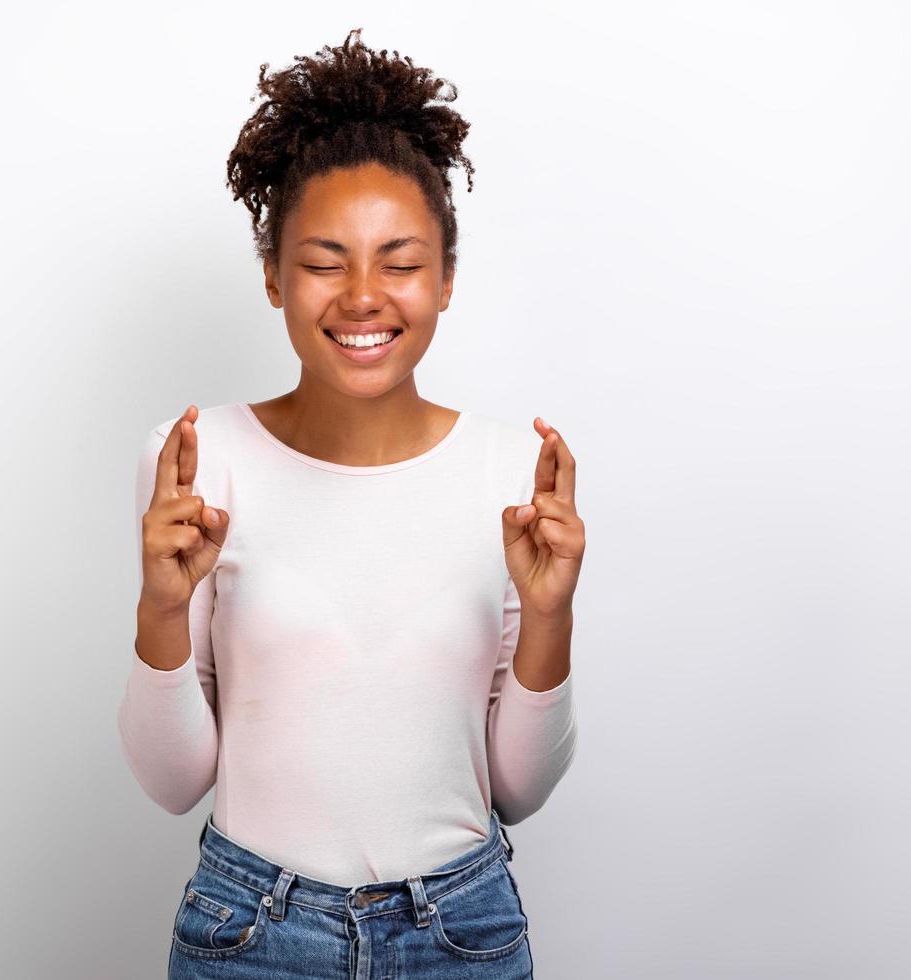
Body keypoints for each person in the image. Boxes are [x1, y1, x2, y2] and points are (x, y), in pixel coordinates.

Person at [119, 27, 586, 978]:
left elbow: (517, 788)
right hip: (250, 934)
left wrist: (549, 614)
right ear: (273, 276)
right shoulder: (201, 461)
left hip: (461, 932)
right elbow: (172, 785)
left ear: (445, 279)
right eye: (326, 260)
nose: (363, 297)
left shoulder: (510, 473)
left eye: (400, 261)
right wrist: (160, 608)